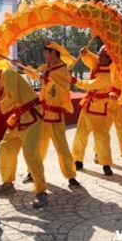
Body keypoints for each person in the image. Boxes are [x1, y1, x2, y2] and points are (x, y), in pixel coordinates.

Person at [0, 60, 48, 208]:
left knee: (30, 152)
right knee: (5, 148)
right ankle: (8, 184)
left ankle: (41, 192)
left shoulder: (7, 74)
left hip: (32, 117)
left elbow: (11, 98)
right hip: (18, 119)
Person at [22, 41, 80, 187]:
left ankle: (70, 175)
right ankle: (32, 171)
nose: (44, 55)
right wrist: (22, 66)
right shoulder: (46, 68)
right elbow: (35, 74)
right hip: (43, 114)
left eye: (46, 52)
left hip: (55, 114)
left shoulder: (63, 70)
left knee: (61, 146)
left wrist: (47, 80)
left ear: (53, 52)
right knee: (38, 145)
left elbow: (62, 87)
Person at [71, 45, 122, 176]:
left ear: (109, 58)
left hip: (101, 109)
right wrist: (85, 53)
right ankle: (77, 160)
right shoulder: (98, 64)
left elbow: (90, 84)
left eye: (102, 55)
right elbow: (92, 58)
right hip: (88, 105)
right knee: (80, 134)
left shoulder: (109, 74)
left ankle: (105, 163)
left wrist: (75, 80)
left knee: (102, 137)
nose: (99, 57)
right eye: (99, 54)